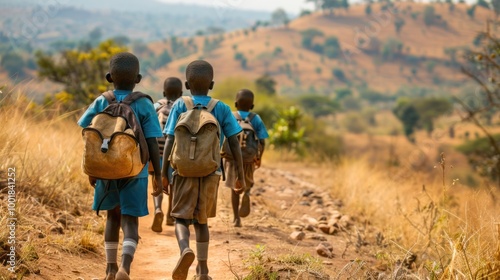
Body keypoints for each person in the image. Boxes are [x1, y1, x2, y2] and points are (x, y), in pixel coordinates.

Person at [78, 52, 163, 280]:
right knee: (130, 222)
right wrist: (159, 174)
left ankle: (109, 269)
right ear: (138, 79)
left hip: (104, 169)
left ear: (109, 77)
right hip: (135, 172)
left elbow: (87, 134)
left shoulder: (102, 100)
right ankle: (125, 268)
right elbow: (153, 142)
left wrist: (91, 168)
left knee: (112, 219)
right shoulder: (144, 103)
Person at [162, 60, 246, 280]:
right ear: (212, 84)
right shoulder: (222, 108)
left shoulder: (180, 105)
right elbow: (235, 143)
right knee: (201, 221)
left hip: (182, 172)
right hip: (211, 172)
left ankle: (184, 250)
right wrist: (240, 175)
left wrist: (163, 173)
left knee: (180, 218)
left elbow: (170, 139)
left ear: (187, 85)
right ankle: (203, 270)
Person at [224, 89, 269, 227]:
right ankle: (247, 192)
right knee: (247, 181)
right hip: (249, 158)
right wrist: (259, 157)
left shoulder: (230, 116)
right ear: (252, 106)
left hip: (232, 159)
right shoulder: (256, 118)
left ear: (235, 103)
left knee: (234, 188)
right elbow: (262, 141)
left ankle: (236, 218)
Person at [150, 77, 183, 232]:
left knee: (157, 179)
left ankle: (157, 208)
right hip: (174, 152)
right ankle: (170, 214)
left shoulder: (157, 105)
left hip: (156, 151)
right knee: (173, 183)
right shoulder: (183, 106)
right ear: (181, 92)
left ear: (164, 92)